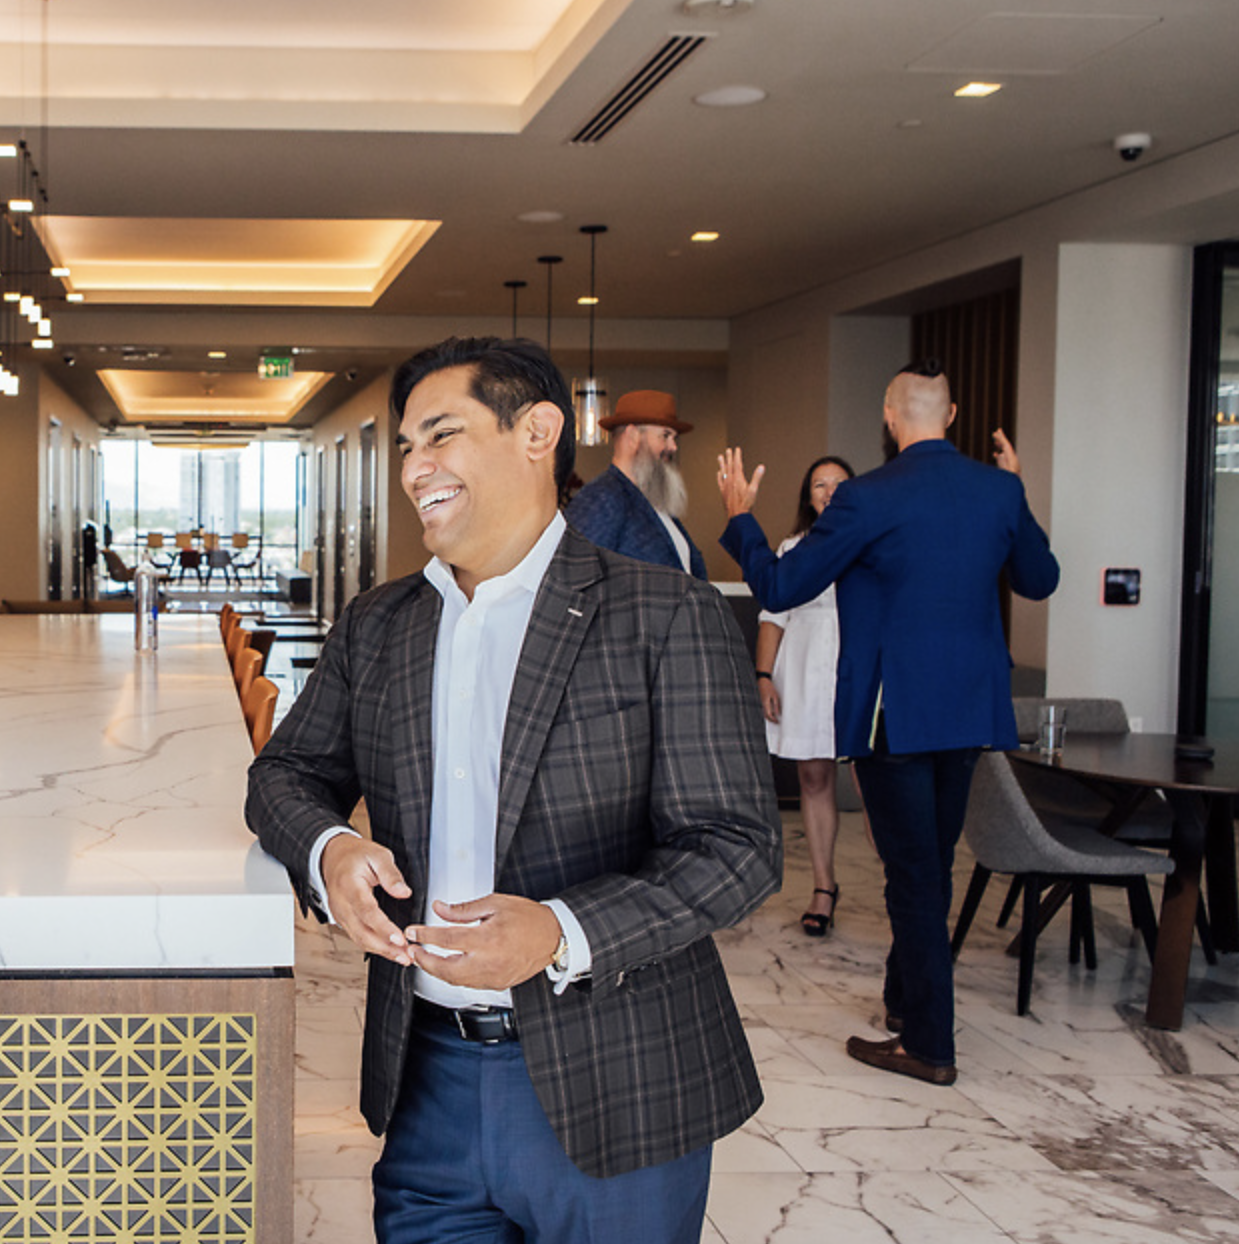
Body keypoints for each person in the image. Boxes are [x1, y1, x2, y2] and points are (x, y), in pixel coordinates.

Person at [246, 335, 779, 1243]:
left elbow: (736, 849)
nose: (417, 468)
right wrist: (330, 851)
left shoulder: (664, 615)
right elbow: (284, 776)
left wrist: (560, 932)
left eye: (441, 436)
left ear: (538, 432)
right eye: (407, 447)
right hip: (427, 1087)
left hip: (619, 1084)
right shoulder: (380, 623)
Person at [716, 361, 1058, 1086]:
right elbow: (1039, 579)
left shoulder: (867, 497)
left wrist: (741, 519)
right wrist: (1017, 492)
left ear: (889, 415)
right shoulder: (999, 489)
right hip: (969, 712)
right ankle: (906, 1004)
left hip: (893, 716)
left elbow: (781, 585)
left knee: (913, 878)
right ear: (954, 413)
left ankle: (930, 1044)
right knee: (929, 866)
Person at [755, 456, 857, 937]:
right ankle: (823, 886)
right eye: (820, 484)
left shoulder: (871, 543)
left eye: (839, 483)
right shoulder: (792, 547)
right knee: (813, 779)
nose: (829, 491)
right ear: (808, 496)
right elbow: (774, 616)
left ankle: (902, 889)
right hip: (803, 666)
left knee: (873, 783)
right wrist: (763, 676)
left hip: (856, 669)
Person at [562, 388, 707, 577]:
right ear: (633, 436)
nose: (673, 447)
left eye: (674, 437)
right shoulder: (603, 497)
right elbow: (574, 575)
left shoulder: (655, 503)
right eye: (665, 435)